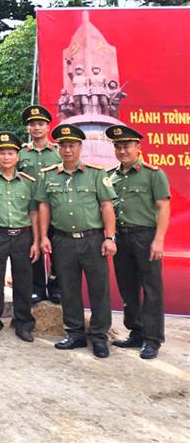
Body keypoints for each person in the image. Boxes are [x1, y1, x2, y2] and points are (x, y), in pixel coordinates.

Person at [36, 124, 117, 358]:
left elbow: (106, 206)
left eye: (72, 145)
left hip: (92, 240)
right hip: (63, 241)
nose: (67, 150)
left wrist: (109, 237)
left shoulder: (95, 173)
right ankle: (75, 334)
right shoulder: (49, 175)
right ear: (58, 148)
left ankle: (99, 337)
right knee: (69, 289)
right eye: (63, 145)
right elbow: (43, 207)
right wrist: (43, 237)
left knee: (98, 290)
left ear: (80, 147)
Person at [107, 124, 171, 360]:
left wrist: (159, 239)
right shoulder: (110, 176)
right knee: (128, 288)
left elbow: (164, 207)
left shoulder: (153, 173)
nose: (122, 151)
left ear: (138, 147)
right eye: (118, 146)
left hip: (145, 236)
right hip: (121, 238)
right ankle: (136, 331)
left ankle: (153, 339)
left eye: (127, 146)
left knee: (152, 289)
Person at [0, 131, 39, 342]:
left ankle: (23, 324)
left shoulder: (28, 182)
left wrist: (37, 241)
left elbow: (33, 213)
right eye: (2, 153)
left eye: (11, 153)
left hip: (22, 235)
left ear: (18, 156)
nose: (6, 157)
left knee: (23, 281)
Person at [18, 105, 61, 304]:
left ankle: (56, 288)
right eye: (32, 124)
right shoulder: (21, 153)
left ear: (48, 127)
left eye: (40, 124)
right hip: (29, 211)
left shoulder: (59, 152)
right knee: (32, 250)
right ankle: (36, 287)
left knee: (57, 251)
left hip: (56, 209)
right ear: (27, 128)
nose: (36, 128)